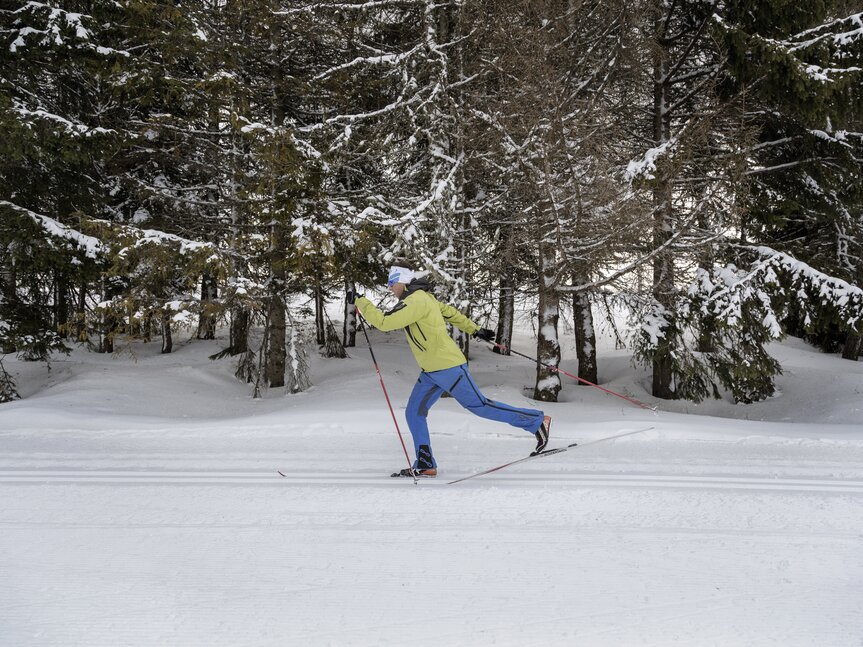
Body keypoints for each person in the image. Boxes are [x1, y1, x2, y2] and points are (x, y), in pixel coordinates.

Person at [348, 265, 551, 478]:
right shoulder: (424, 299)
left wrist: (360, 300)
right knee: (414, 413)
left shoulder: (415, 301)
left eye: (392, 283)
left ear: (403, 282)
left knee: (479, 406)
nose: (390, 288)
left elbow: (384, 322)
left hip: (447, 367)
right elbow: (450, 313)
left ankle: (537, 421)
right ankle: (425, 463)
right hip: (431, 371)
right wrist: (476, 330)